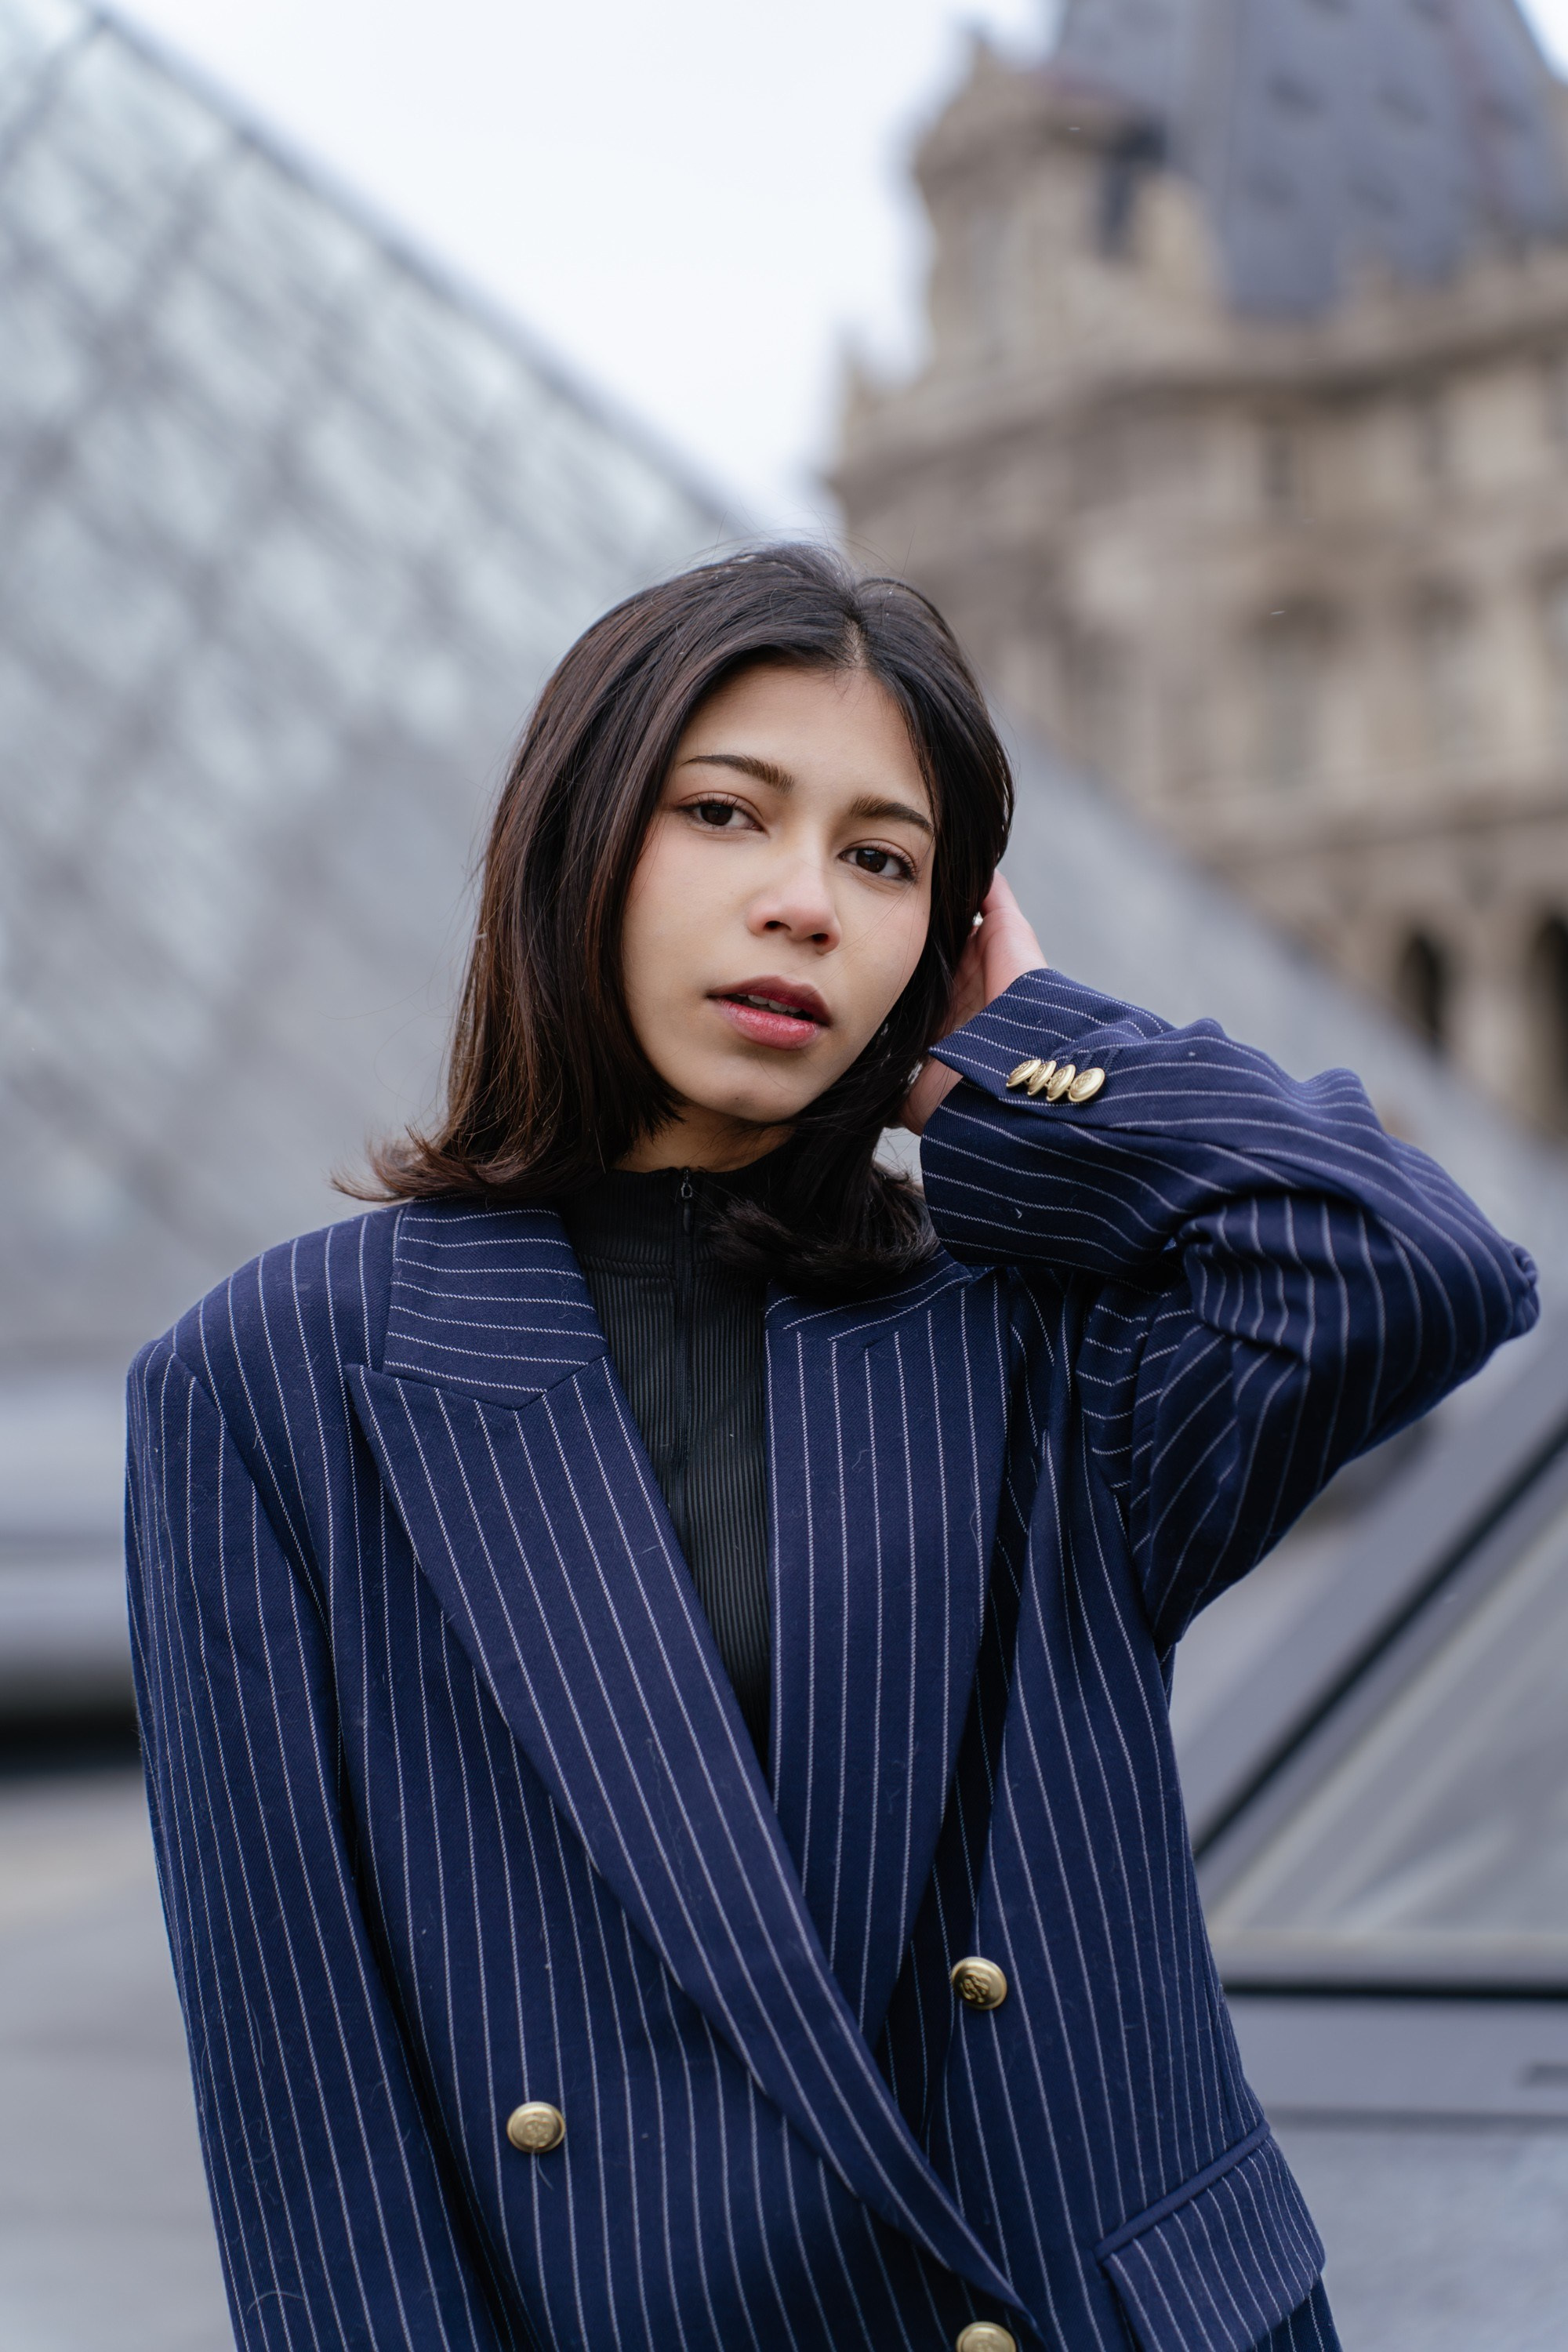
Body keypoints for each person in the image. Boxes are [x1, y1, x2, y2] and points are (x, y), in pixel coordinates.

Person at [126, 544, 1536, 2352]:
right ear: (578, 840)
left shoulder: (1035, 1331)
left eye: (882, 860)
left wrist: (1034, 1060)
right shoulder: (271, 1382)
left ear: (944, 942)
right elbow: (313, 2133)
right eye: (727, 814)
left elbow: (1417, 1265)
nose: (805, 904)